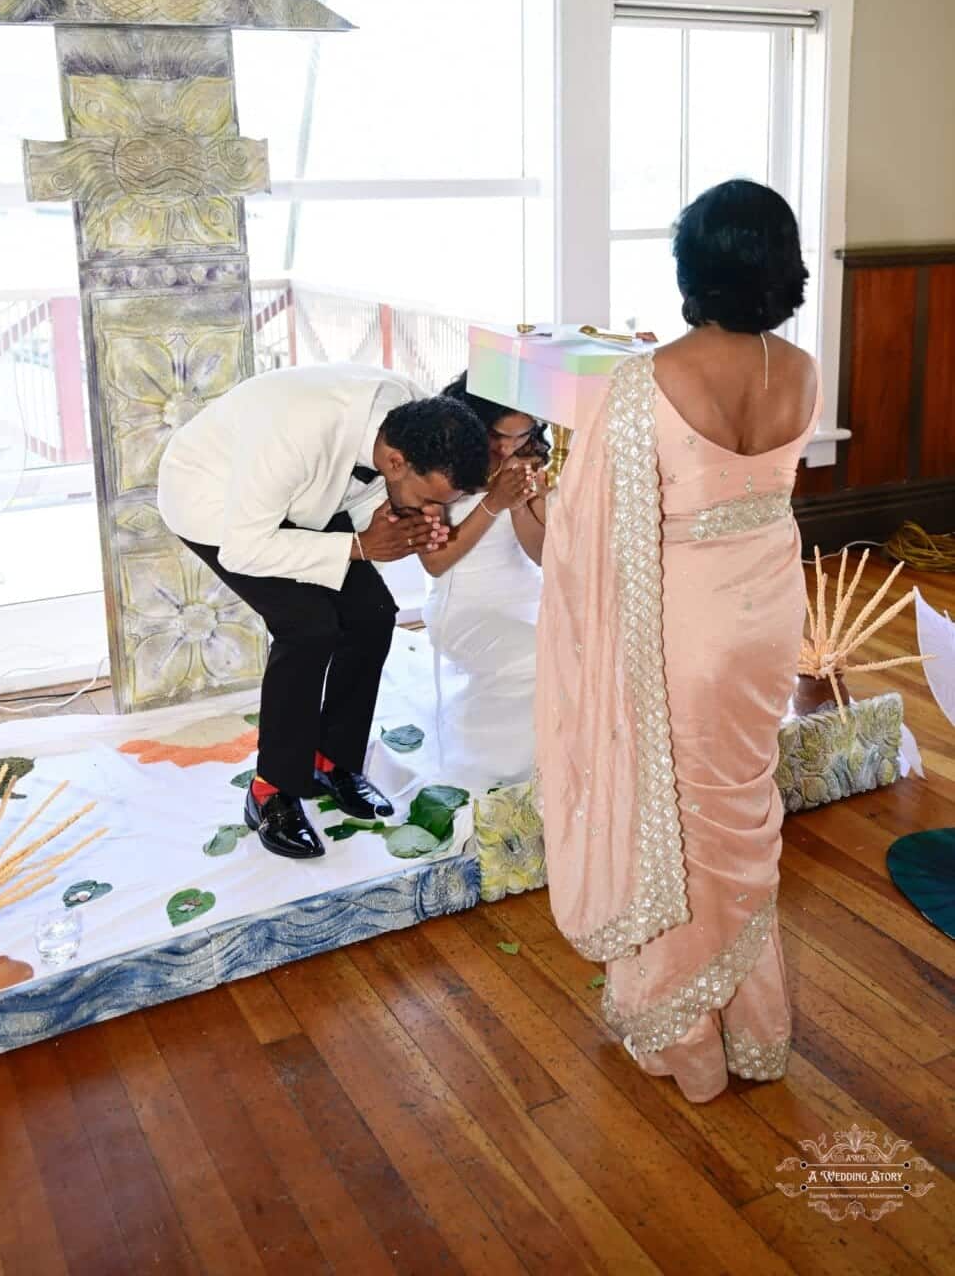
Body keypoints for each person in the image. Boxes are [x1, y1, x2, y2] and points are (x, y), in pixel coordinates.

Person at [536, 179, 819, 1103]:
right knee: (738, 808)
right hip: (770, 609)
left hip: (686, 623)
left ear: (688, 266)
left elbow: (585, 545)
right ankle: (751, 1027)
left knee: (675, 815)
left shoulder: (644, 382)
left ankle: (683, 1032)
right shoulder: (802, 368)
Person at [157, 363, 489, 859]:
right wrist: (359, 545)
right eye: (429, 500)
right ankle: (271, 790)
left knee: (374, 614)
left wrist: (389, 521)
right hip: (218, 503)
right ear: (396, 463)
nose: (433, 512)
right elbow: (243, 551)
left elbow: (361, 497)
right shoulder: (295, 435)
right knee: (308, 627)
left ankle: (329, 761)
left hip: (309, 494)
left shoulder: (415, 415)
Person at [420, 374, 549, 788]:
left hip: (528, 596)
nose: (509, 447)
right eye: (499, 436)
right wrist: (494, 502)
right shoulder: (439, 464)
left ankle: (556, 765)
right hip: (463, 608)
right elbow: (435, 563)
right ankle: (503, 770)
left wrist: (520, 505)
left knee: (581, 649)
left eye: (522, 435)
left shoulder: (526, 462)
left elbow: (543, 555)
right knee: (534, 657)